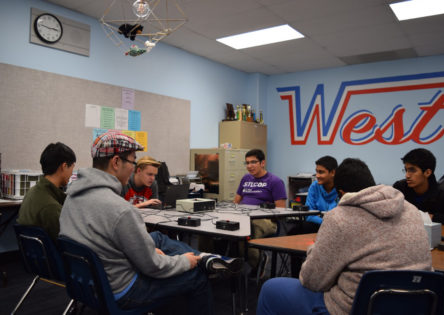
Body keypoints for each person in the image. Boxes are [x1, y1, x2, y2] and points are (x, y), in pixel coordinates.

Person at [59, 131, 242, 314]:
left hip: (86, 282)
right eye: (132, 161)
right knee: (196, 276)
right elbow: (153, 267)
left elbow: (102, 240)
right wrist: (184, 262)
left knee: (156, 238)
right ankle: (200, 260)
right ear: (116, 162)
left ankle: (202, 257)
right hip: (121, 291)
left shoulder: (71, 199)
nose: (133, 167)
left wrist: (151, 252)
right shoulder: (120, 209)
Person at [257, 158, 432, 315]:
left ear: (341, 193)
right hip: (417, 304)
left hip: (359, 307)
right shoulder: (411, 210)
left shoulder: (340, 217)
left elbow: (312, 281)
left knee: (270, 289)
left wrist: (314, 250)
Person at [233, 149, 287, 272]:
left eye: (253, 162)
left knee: (248, 229)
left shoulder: (275, 181)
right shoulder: (245, 179)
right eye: (247, 163)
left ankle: (257, 263)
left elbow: (281, 211)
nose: (249, 166)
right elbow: (236, 201)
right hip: (243, 216)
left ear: (262, 163)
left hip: (265, 220)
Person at [393, 148, 444, 227]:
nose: (407, 175)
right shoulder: (400, 188)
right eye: (406, 170)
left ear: (427, 173)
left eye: (412, 170)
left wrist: (431, 217)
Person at [287, 156, 338, 277]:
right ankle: (296, 275)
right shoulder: (314, 186)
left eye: (321, 172)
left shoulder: (341, 189)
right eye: (317, 171)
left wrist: (325, 220)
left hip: (335, 228)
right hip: (318, 224)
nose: (318, 175)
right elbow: (308, 215)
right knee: (294, 232)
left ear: (333, 172)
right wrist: (325, 221)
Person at [17, 142, 76, 240]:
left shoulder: (33, 191)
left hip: (35, 253)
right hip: (53, 254)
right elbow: (67, 241)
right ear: (64, 166)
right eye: (72, 168)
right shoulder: (51, 207)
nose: (72, 174)